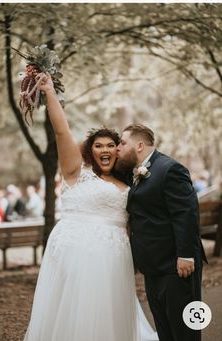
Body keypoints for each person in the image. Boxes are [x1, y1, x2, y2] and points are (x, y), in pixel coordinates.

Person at [24, 73, 158, 341]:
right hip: (75, 251)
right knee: (75, 308)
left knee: (109, 311)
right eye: (98, 146)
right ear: (89, 151)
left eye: (111, 145)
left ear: (118, 152)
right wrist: (49, 92)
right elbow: (62, 130)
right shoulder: (76, 172)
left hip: (115, 257)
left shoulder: (129, 182)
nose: (105, 150)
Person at [116, 124, 207, 341]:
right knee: (164, 329)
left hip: (177, 265)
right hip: (154, 266)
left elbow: (186, 214)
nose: (118, 148)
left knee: (185, 329)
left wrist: (185, 255)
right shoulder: (134, 173)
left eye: (122, 142)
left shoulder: (170, 169)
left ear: (139, 145)